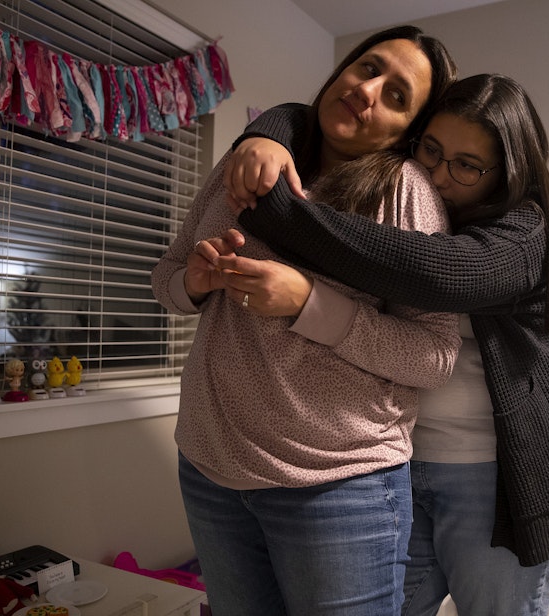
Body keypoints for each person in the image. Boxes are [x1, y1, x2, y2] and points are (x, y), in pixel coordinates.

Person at [211, 74, 549, 616]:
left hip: (499, 479)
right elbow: (317, 116)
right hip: (402, 466)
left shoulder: (528, 231)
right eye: (431, 150)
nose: (437, 175)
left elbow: (435, 273)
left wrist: (274, 207)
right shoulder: (409, 198)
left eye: (465, 165)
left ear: (507, 172)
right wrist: (270, 132)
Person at [151, 26, 459, 616]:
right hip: (210, 468)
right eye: (367, 69)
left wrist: (306, 304)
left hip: (339, 488)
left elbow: (434, 355)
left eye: (396, 96)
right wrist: (194, 281)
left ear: (407, 131)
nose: (368, 92)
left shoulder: (404, 193)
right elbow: (166, 277)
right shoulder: (243, 163)